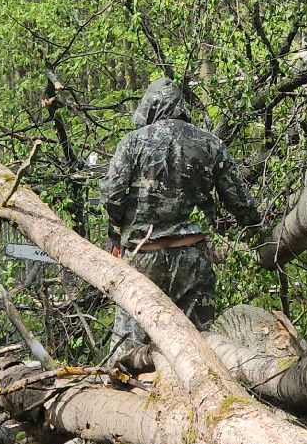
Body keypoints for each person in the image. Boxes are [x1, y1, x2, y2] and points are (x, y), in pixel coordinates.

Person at [99, 78, 260, 366]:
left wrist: (114, 234)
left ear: (151, 106)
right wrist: (257, 232)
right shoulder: (209, 142)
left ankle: (121, 400)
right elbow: (240, 200)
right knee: (198, 347)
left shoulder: (133, 143)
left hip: (142, 256)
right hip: (192, 257)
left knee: (126, 351)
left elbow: (112, 193)